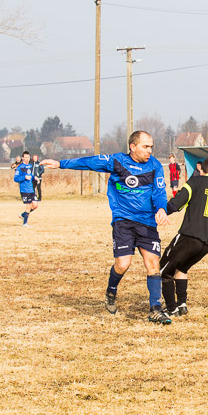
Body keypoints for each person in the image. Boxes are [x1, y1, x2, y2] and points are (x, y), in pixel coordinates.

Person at [41, 131, 171, 324]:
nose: (149, 150)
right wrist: (61, 164)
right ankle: (111, 291)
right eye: (145, 146)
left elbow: (159, 191)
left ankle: (155, 309)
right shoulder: (117, 161)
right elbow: (90, 162)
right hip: (123, 221)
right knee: (123, 264)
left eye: (151, 146)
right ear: (133, 147)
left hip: (147, 222)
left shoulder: (155, 166)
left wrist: (161, 208)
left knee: (153, 264)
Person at [159, 157, 208, 317]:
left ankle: (171, 309)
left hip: (190, 236)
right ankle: (182, 304)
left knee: (163, 270)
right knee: (182, 268)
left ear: (201, 170)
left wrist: (160, 211)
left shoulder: (196, 181)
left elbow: (176, 203)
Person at [14, 151, 39, 226]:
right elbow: (16, 178)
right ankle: (25, 223)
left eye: (28, 157)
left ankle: (23, 215)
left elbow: (30, 176)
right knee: (29, 206)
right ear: (23, 158)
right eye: (25, 157)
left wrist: (34, 177)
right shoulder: (20, 167)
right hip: (24, 190)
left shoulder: (30, 166)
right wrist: (24, 177)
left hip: (31, 189)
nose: (27, 159)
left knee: (35, 205)